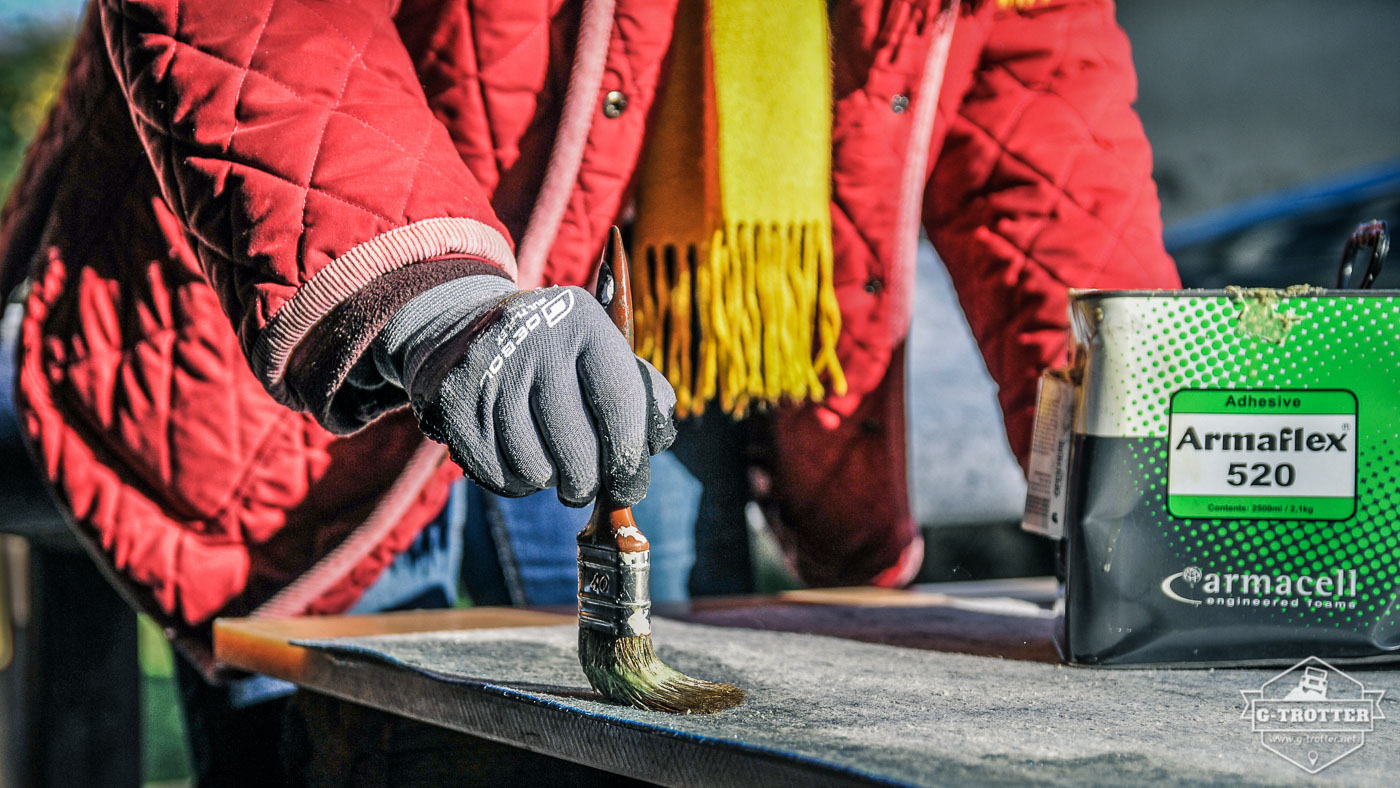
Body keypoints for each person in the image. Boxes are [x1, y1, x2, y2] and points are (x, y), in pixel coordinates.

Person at [0, 0, 1179, 783]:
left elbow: (1036, 108)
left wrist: (1152, 449)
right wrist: (428, 299)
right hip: (320, 349)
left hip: (669, 353)